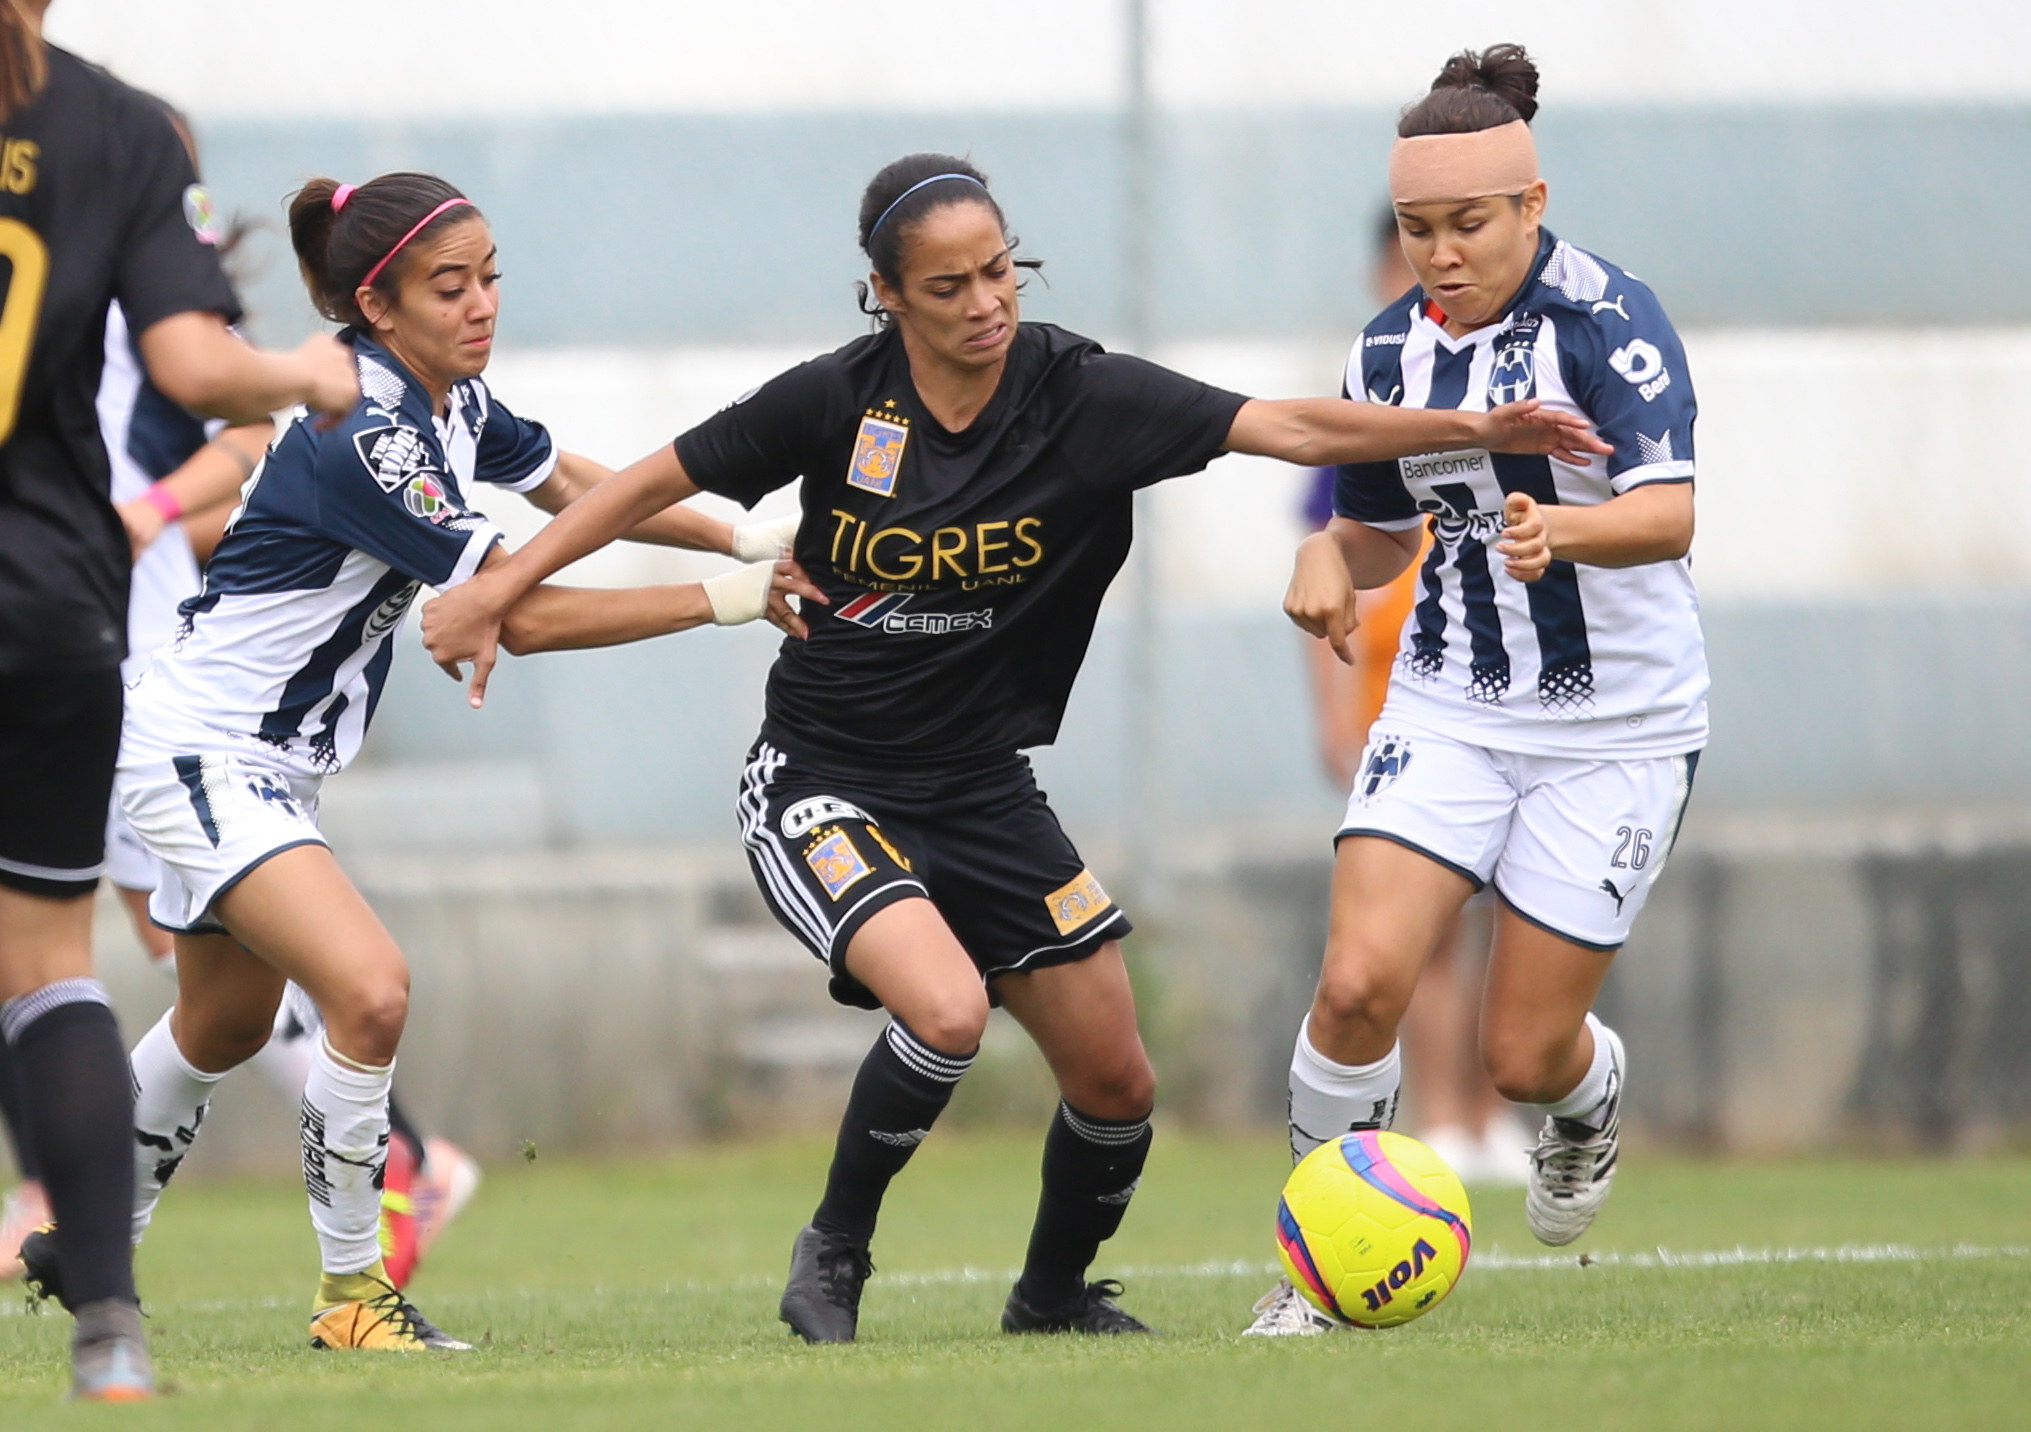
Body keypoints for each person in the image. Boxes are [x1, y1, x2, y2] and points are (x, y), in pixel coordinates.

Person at [417, 152, 1605, 1344]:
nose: (987, 303)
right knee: (943, 1011)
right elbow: (639, 487)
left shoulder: (1083, 397)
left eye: (1001, 271)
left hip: (983, 787)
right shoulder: (835, 399)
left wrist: (1467, 425)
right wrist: (501, 586)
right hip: (823, 777)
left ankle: (1048, 1301)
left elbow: (1285, 423)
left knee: (1118, 1079)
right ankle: (833, 1250)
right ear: (885, 294)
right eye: (949, 287)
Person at [19, 169, 814, 1352]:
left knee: (224, 1027)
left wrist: (739, 526)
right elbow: (516, 610)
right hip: (201, 747)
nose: (482, 303)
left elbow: (578, 492)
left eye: (491, 276)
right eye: (453, 286)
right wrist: (729, 597)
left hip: (253, 760)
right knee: (370, 989)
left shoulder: (447, 397)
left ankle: (84, 1240)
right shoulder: (369, 433)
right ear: (376, 309)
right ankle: (353, 1299)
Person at [1247, 44, 1705, 1336]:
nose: (1438, 254)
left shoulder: (1610, 325)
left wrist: (1562, 531)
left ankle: (1584, 1092)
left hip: (1615, 727)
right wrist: (1324, 556)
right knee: (1353, 986)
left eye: (1467, 224)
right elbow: (1382, 530)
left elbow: (1666, 514)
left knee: (1517, 1057)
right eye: (1415, 228)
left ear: (1530, 207)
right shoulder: (1386, 354)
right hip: (1449, 704)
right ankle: (1313, 1280)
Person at [0, 0, 364, 1398]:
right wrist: (308, 373)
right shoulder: (119, 126)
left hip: (114, 615)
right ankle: (110, 1330)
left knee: (164, 950)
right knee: (49, 963)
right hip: (51, 599)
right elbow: (200, 366)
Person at [1298, 205, 1527, 1189]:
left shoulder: (1513, 382)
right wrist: (1334, 716)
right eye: (1406, 248)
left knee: (1508, 911)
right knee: (1419, 932)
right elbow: (1331, 561)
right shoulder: (1373, 395)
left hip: (1504, 690)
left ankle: (1490, 1110)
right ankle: (1440, 1116)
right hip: (1402, 692)